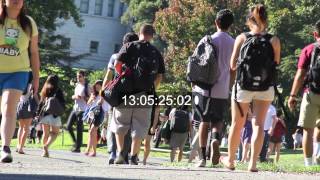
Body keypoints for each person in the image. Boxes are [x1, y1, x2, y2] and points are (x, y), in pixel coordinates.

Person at [221, 4, 281, 172]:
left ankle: (231, 160)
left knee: (237, 124)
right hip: (265, 87)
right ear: (266, 19)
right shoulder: (274, 40)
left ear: (249, 20)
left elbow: (232, 65)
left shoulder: (242, 38)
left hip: (243, 86)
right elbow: (276, 65)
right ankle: (253, 164)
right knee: (259, 125)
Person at [110, 24, 165, 165]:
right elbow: (159, 76)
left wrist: (121, 76)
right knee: (140, 126)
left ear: (139, 33)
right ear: (152, 36)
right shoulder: (156, 52)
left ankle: (121, 154)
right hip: (145, 94)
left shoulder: (128, 46)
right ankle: (134, 156)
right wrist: (152, 87)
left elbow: (117, 64)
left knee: (120, 124)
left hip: (125, 92)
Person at [192, 9, 234, 167]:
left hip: (205, 88)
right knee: (218, 120)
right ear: (230, 25)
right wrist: (229, 87)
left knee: (204, 120)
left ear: (216, 22)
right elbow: (233, 68)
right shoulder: (234, 42)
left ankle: (202, 157)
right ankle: (215, 139)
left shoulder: (208, 39)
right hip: (222, 89)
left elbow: (196, 62)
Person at [0, 0, 40, 163]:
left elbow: (34, 52)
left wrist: (36, 78)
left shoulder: (29, 23)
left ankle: (6, 148)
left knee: (9, 107)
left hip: (18, 72)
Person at [102, 32, 139, 164]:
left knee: (114, 123)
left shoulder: (115, 56)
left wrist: (103, 90)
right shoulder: (139, 57)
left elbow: (108, 75)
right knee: (129, 125)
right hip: (134, 94)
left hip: (116, 93)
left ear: (124, 43)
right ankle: (124, 154)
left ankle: (113, 152)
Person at [288, 20, 320, 166]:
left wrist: (292, 95)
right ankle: (318, 155)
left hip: (311, 93)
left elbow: (300, 74)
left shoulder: (309, 49)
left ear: (315, 34)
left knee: (308, 130)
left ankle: (309, 164)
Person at [36, 75, 65, 158]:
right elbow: (62, 103)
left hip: (44, 115)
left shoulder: (44, 90)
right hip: (55, 115)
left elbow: (41, 103)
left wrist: (37, 114)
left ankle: (45, 152)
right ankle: (47, 146)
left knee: (45, 134)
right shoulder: (58, 91)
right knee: (55, 133)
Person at [84, 80, 110, 157]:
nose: (97, 86)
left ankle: (93, 150)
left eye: (99, 85)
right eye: (96, 85)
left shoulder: (104, 94)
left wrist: (100, 99)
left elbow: (103, 104)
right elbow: (88, 103)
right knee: (91, 132)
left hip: (101, 113)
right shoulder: (94, 94)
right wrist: (91, 99)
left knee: (93, 130)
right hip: (92, 114)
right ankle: (89, 149)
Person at [66, 70, 90, 153]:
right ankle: (76, 143)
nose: (78, 78)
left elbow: (90, 99)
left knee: (79, 128)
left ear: (84, 77)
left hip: (82, 109)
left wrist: (82, 98)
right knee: (68, 126)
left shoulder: (87, 86)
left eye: (80, 76)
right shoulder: (77, 85)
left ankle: (78, 147)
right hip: (75, 108)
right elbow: (74, 96)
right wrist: (74, 96)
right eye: (77, 76)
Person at [16, 75, 38, 154]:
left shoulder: (20, 84)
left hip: (20, 105)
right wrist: (38, 104)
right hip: (28, 106)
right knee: (26, 128)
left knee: (21, 127)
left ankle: (18, 145)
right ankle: (21, 148)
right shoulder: (32, 86)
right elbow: (34, 96)